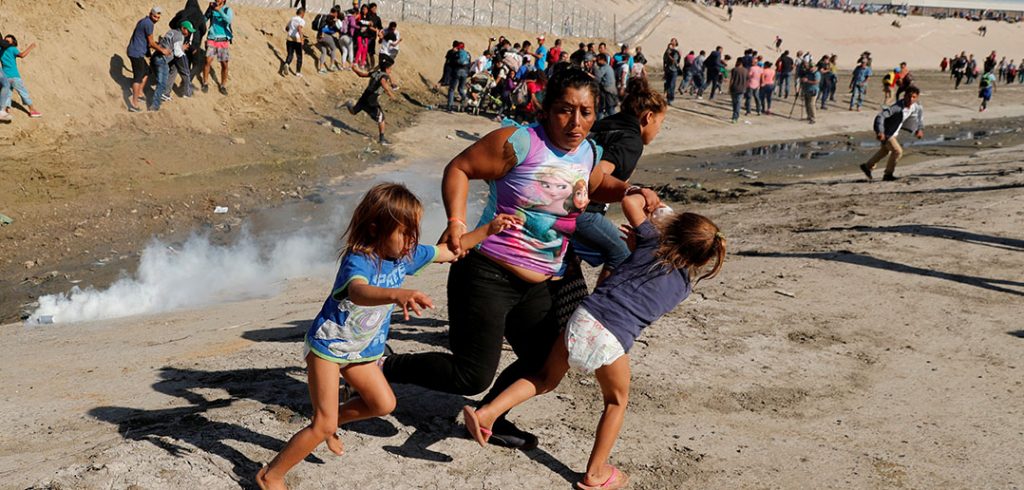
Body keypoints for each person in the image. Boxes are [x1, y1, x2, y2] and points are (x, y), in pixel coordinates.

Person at [380, 68, 661, 450]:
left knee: (547, 362)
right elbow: (460, 168)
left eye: (586, 112)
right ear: (546, 109)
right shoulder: (520, 142)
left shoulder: (588, 151)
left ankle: (492, 416)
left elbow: (594, 185)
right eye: (565, 110)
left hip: (543, 280)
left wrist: (631, 188)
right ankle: (384, 367)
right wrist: (457, 222)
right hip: (486, 272)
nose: (575, 122)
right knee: (470, 375)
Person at [254, 183, 522, 490]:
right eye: (404, 233)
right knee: (321, 424)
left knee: (383, 404)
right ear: (374, 229)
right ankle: (271, 474)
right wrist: (397, 294)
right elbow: (358, 292)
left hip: (362, 351)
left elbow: (449, 251)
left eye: (415, 232)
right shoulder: (359, 260)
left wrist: (488, 229)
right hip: (329, 348)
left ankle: (331, 422)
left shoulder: (406, 256)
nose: (412, 241)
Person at [463, 198, 726, 490]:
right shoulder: (684, 286)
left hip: (584, 317)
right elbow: (647, 283)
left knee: (545, 378)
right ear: (704, 260)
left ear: (672, 229)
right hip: (612, 337)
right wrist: (644, 243)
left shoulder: (651, 241)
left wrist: (655, 205)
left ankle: (487, 413)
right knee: (616, 401)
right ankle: (596, 473)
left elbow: (630, 201)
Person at [574, 77, 668, 284]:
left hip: (560, 200)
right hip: (582, 211)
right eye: (660, 123)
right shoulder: (631, 141)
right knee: (623, 253)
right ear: (648, 117)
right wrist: (633, 190)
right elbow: (597, 174)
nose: (659, 129)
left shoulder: (605, 124)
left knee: (572, 260)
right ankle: (598, 309)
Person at [858, 86, 924, 182]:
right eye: (909, 96)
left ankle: (867, 166)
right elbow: (880, 116)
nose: (911, 99)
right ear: (904, 96)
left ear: (917, 97)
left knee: (885, 151)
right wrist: (880, 131)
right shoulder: (897, 107)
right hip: (886, 133)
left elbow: (919, 118)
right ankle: (888, 174)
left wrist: (919, 129)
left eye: (913, 97)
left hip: (894, 133)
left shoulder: (916, 107)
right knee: (898, 151)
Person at [344, 54, 396, 145]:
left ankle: (348, 104)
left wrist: (354, 69)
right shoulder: (384, 76)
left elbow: (361, 74)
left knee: (353, 111)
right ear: (387, 69)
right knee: (381, 118)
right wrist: (390, 93)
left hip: (365, 96)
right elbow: (383, 83)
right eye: (390, 69)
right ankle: (382, 139)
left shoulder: (375, 73)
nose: (391, 71)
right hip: (371, 100)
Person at [126, 7, 168, 112]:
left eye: (158, 17)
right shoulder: (148, 24)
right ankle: (133, 104)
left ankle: (139, 93)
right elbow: (151, 43)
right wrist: (162, 50)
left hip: (137, 51)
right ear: (150, 14)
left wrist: (148, 52)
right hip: (136, 53)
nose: (156, 19)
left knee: (147, 71)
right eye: (155, 16)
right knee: (138, 78)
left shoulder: (145, 21)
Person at [0, 34, 40, 118]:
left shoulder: (1, 50)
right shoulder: (12, 48)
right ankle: (32, 110)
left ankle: (6, 110)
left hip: (5, 76)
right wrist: (31, 47)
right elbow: (22, 55)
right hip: (14, 76)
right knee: (23, 93)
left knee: (8, 93)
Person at [202, 0, 233, 95]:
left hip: (223, 40)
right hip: (212, 38)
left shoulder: (227, 9)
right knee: (208, 61)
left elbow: (228, 20)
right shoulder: (212, 8)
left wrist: (219, 10)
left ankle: (223, 85)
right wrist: (208, 10)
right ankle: (205, 83)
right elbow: (204, 20)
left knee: (224, 64)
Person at [281, 7, 306, 77]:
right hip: (297, 40)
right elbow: (299, 28)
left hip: (289, 39)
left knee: (290, 54)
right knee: (299, 56)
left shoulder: (292, 19)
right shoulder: (301, 20)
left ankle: (287, 64)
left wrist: (290, 30)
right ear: (302, 13)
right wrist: (302, 38)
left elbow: (287, 28)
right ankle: (298, 72)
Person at [446, 42, 471, 112]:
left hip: (457, 72)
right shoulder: (468, 54)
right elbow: (469, 64)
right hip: (465, 73)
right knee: (461, 89)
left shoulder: (456, 54)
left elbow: (451, 63)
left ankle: (450, 106)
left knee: (452, 89)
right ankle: (465, 97)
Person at [594, 54, 618, 119]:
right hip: (609, 91)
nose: (596, 61)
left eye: (598, 60)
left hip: (608, 92)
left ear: (603, 60)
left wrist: (594, 67)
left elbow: (597, 78)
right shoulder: (608, 67)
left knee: (609, 110)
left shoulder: (604, 68)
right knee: (603, 109)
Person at [728, 58, 747, 123]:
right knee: (738, 103)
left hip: (734, 88)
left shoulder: (734, 70)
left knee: (735, 103)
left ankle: (735, 116)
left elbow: (732, 80)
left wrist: (729, 88)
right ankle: (735, 116)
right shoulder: (745, 70)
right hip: (741, 88)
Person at [662, 39, 681, 104]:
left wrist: (669, 54)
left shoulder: (677, 51)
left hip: (674, 70)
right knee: (667, 84)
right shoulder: (667, 50)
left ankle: (671, 99)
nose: (672, 42)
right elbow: (664, 59)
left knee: (672, 85)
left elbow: (674, 61)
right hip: (668, 69)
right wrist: (664, 68)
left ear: (676, 43)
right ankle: (668, 98)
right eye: (671, 41)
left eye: (673, 41)